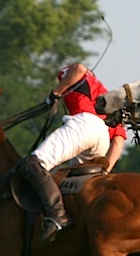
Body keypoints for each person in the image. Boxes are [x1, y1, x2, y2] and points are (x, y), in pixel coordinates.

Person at [18, 63, 128, 243]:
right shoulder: (107, 98)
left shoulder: (81, 76)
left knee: (34, 164)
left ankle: (57, 215)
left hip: (84, 123)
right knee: (67, 186)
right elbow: (118, 140)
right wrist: (105, 170)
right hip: (101, 138)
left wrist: (55, 93)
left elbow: (78, 68)